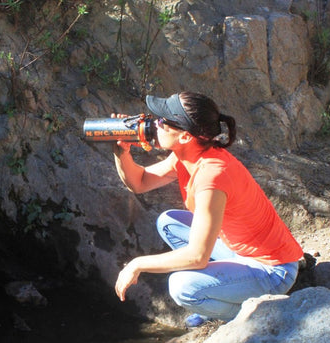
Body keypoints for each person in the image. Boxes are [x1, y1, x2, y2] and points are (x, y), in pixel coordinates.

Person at [112, 92, 303, 327]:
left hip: (272, 269)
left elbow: (197, 257)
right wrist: (121, 151)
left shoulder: (212, 176)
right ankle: (220, 291)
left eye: (162, 121)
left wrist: (136, 264)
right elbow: (139, 182)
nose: (154, 124)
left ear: (184, 136)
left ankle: (254, 318)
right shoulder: (186, 155)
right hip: (240, 252)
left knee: (182, 287)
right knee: (168, 222)